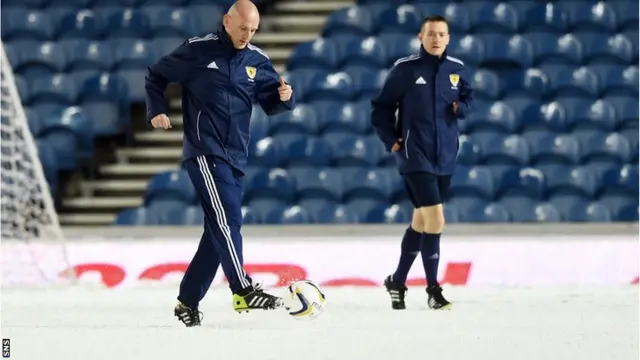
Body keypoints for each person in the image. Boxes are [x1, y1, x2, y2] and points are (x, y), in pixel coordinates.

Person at [144, 0, 295, 327]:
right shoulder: (198, 50)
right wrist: (156, 108)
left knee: (217, 229)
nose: (247, 34)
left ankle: (187, 302)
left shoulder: (258, 60)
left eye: (253, 30)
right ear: (227, 20)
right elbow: (156, 75)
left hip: (236, 156)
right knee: (229, 220)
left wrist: (285, 98)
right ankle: (242, 289)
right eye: (243, 27)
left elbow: (271, 102)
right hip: (204, 149)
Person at [370, 15, 474, 310]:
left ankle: (397, 280)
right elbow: (381, 107)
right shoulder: (405, 69)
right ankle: (433, 289)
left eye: (441, 34)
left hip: (445, 156)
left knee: (422, 220)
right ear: (421, 37)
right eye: (431, 34)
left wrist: (462, 108)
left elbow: (469, 97)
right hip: (414, 155)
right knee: (437, 220)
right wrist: (390, 137)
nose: (436, 39)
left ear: (448, 38)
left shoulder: (458, 69)